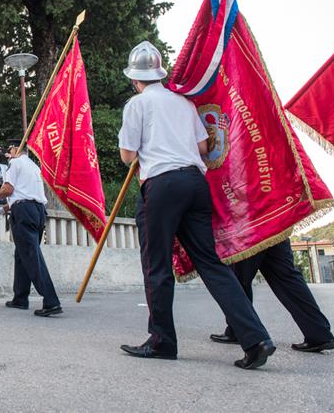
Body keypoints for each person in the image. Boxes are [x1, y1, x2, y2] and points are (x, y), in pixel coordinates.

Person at [117, 41, 275, 370]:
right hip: (195, 183)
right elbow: (204, 147)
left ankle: (162, 340)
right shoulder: (184, 103)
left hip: (161, 184)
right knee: (211, 264)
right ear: (159, 74)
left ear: (136, 79)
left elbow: (127, 156)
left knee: (156, 265)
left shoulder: (137, 104)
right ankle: (255, 337)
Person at [209, 239, 334, 353]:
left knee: (237, 280)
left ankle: (238, 331)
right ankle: (319, 334)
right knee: (287, 279)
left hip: (247, 228)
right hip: (274, 227)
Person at [0, 138, 62, 317]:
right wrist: (3, 209)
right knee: (22, 255)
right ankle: (20, 297)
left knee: (31, 256)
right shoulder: (34, 166)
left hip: (23, 212)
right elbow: (26, 194)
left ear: (16, 149)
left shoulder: (15, 164)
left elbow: (8, 189)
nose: (8, 154)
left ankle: (51, 301)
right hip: (37, 211)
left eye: (9, 150)